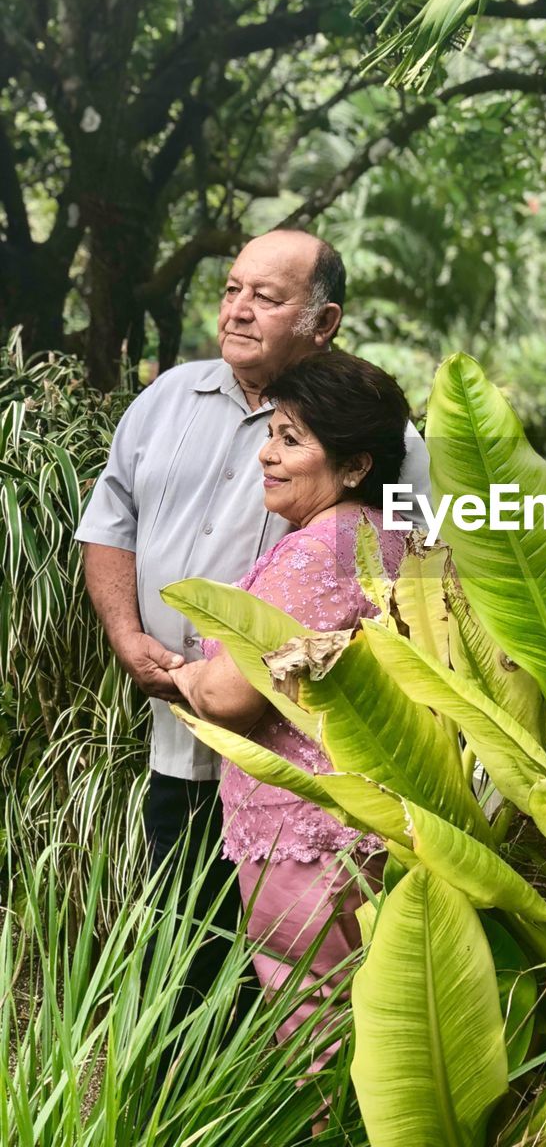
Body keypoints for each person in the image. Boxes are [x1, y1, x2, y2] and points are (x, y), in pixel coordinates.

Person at [75, 229, 429, 1003]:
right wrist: (127, 636)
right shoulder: (166, 397)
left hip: (310, 781)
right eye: (232, 289)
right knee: (185, 950)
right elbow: (111, 523)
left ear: (323, 322)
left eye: (266, 298)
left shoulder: (386, 440)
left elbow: (416, 580)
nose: (238, 310)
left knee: (302, 978)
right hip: (181, 737)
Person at [167, 352, 407, 1084]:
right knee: (380, 1027)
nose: (268, 454)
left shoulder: (317, 553)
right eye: (271, 433)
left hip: (301, 832)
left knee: (316, 1032)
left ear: (356, 463)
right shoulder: (390, 537)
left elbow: (234, 697)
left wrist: (179, 674)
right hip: (373, 816)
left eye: (293, 438)